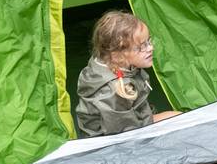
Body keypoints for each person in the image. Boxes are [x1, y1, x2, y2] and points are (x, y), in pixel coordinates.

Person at [76, 10, 180, 138]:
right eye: (141, 46)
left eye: (149, 41)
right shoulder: (112, 92)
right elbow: (127, 137)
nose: (150, 48)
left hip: (133, 123)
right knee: (181, 122)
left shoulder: (114, 63)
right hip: (117, 141)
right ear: (118, 54)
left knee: (179, 118)